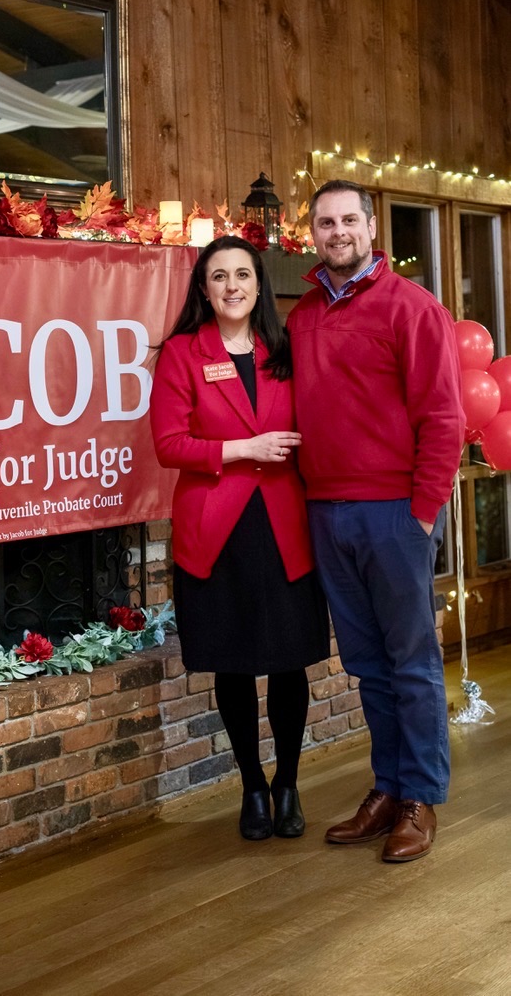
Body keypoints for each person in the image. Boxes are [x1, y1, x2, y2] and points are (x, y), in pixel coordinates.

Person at [287, 179, 465, 863]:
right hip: (327, 514)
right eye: (325, 222)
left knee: (411, 663)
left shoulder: (413, 308)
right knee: (367, 665)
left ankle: (420, 797)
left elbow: (443, 418)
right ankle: (387, 788)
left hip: (395, 514)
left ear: (370, 227)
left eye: (348, 220)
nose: (337, 232)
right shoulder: (303, 316)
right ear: (313, 233)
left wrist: (422, 515)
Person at [150, 235, 329, 841]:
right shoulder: (182, 353)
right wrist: (244, 448)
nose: (232, 286)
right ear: (204, 289)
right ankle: (252, 785)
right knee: (233, 665)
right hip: (217, 530)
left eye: (243, 275)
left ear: (259, 285)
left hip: (285, 525)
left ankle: (288, 784)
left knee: (288, 663)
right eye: (220, 276)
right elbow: (168, 444)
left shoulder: (286, 350)